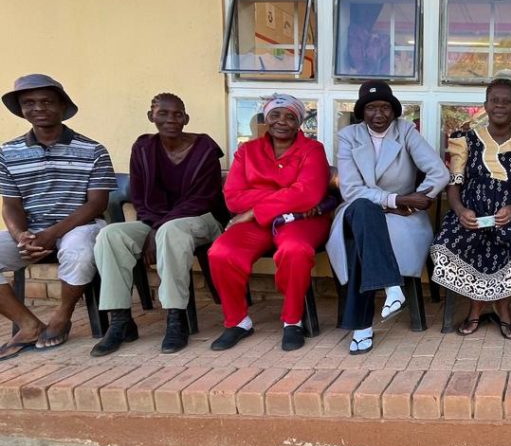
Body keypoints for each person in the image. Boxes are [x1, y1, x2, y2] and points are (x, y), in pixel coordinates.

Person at [90, 93, 229, 357]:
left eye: (177, 114)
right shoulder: (143, 148)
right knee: (111, 235)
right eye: (163, 113)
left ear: (186, 118)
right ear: (151, 116)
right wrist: (154, 227)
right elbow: (140, 197)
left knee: (171, 231)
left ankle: (176, 318)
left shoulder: (204, 149)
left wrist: (159, 227)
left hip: (201, 220)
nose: (171, 119)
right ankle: (120, 320)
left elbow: (202, 199)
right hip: (154, 222)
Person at [0, 74, 116, 360]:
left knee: (78, 250)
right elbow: (11, 204)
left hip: (80, 225)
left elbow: (97, 204)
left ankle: (62, 315)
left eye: (46, 101)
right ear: (21, 109)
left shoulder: (93, 150)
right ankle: (29, 325)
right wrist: (21, 236)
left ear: (62, 106)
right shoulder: (7, 152)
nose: (38, 108)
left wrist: (52, 234)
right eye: (29, 103)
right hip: (33, 231)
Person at [328, 81, 448, 355]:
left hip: (402, 218)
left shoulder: (405, 132)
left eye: (385, 107)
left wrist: (417, 200)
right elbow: (351, 191)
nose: (379, 114)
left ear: (394, 111)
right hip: (358, 211)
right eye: (371, 108)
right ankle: (392, 285)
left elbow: (439, 172)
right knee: (364, 211)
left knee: (361, 244)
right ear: (362, 112)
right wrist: (398, 200)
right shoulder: (349, 137)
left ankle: (362, 328)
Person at [206, 94, 330, 352]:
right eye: (275, 115)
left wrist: (255, 209)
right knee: (221, 252)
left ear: (299, 122)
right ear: (266, 118)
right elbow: (233, 197)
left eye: (290, 117)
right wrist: (286, 196)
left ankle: (292, 321)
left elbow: (309, 194)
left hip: (301, 219)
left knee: (295, 250)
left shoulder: (313, 149)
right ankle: (238, 321)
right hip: (259, 221)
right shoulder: (247, 151)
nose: (282, 121)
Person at [430, 78, 511, 339]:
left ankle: (503, 308)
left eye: (507, 102)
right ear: (485, 105)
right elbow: (454, 185)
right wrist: (460, 211)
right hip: (472, 214)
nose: (500, 106)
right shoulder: (466, 141)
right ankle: (475, 307)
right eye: (495, 100)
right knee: (446, 242)